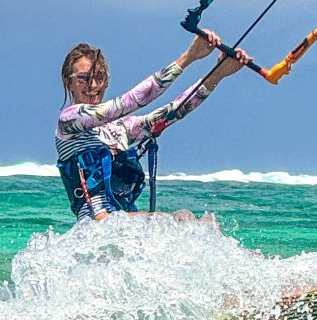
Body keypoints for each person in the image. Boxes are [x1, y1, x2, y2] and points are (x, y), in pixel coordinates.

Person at [56, 33, 250, 221]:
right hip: (98, 226)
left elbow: (174, 112)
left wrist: (218, 74)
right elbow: (130, 102)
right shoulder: (69, 121)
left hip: (124, 224)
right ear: (68, 82)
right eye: (83, 78)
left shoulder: (120, 129)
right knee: (184, 219)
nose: (93, 84)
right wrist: (189, 57)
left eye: (100, 77)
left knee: (205, 222)